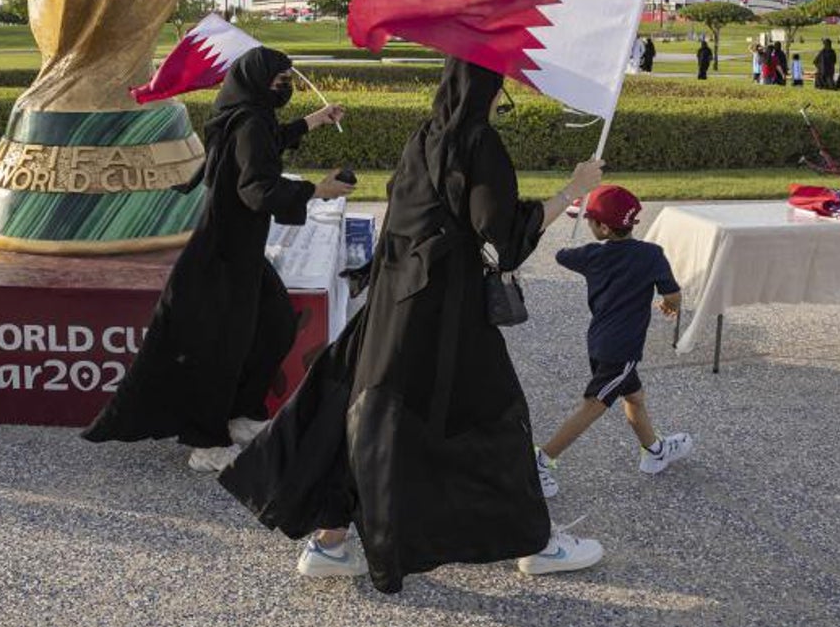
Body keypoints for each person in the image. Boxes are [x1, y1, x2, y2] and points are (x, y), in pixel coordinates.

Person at [219, 58, 606, 593]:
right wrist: (573, 189)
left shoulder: (424, 138)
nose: (503, 94)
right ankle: (536, 545)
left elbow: (405, 222)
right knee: (493, 420)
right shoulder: (478, 143)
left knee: (361, 409)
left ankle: (331, 541)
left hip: (392, 303)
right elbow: (501, 240)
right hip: (445, 317)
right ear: (489, 88)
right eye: (501, 85)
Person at [82, 47, 353, 472]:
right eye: (281, 81)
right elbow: (256, 189)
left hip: (240, 251)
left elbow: (264, 145)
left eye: (288, 80)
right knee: (220, 351)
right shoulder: (249, 122)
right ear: (259, 82)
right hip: (222, 255)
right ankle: (205, 442)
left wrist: (313, 121)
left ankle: (242, 414)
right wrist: (316, 191)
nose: (287, 88)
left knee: (275, 326)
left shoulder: (246, 115)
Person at [535, 185, 692, 497]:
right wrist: (670, 306)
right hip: (622, 350)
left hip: (601, 342)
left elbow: (561, 255)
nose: (590, 225)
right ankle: (539, 463)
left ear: (603, 227)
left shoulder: (590, 256)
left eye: (591, 220)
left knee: (634, 397)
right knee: (594, 405)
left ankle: (654, 451)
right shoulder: (651, 255)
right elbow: (672, 294)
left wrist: (569, 244)